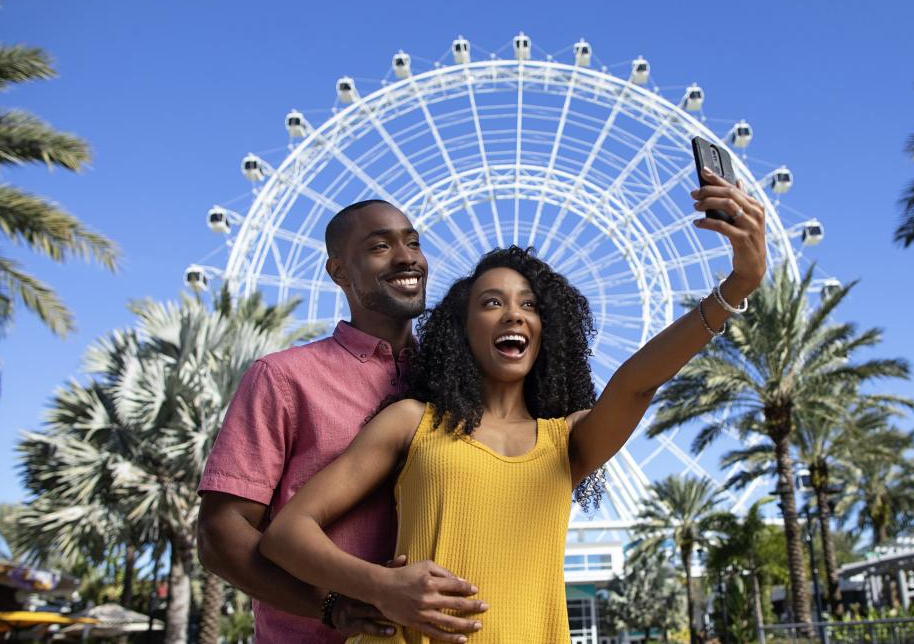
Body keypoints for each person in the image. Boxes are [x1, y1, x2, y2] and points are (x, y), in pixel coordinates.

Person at [258, 169, 768, 642]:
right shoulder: (412, 422)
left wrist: (735, 286)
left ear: (548, 331)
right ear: (462, 329)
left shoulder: (567, 442)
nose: (514, 315)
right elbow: (286, 534)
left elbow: (636, 383)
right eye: (491, 302)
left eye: (529, 304)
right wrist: (380, 587)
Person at [197, 200, 484, 641]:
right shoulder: (284, 378)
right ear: (339, 272)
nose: (407, 257)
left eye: (413, 242)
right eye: (380, 247)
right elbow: (220, 534)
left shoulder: (459, 383)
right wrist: (333, 606)